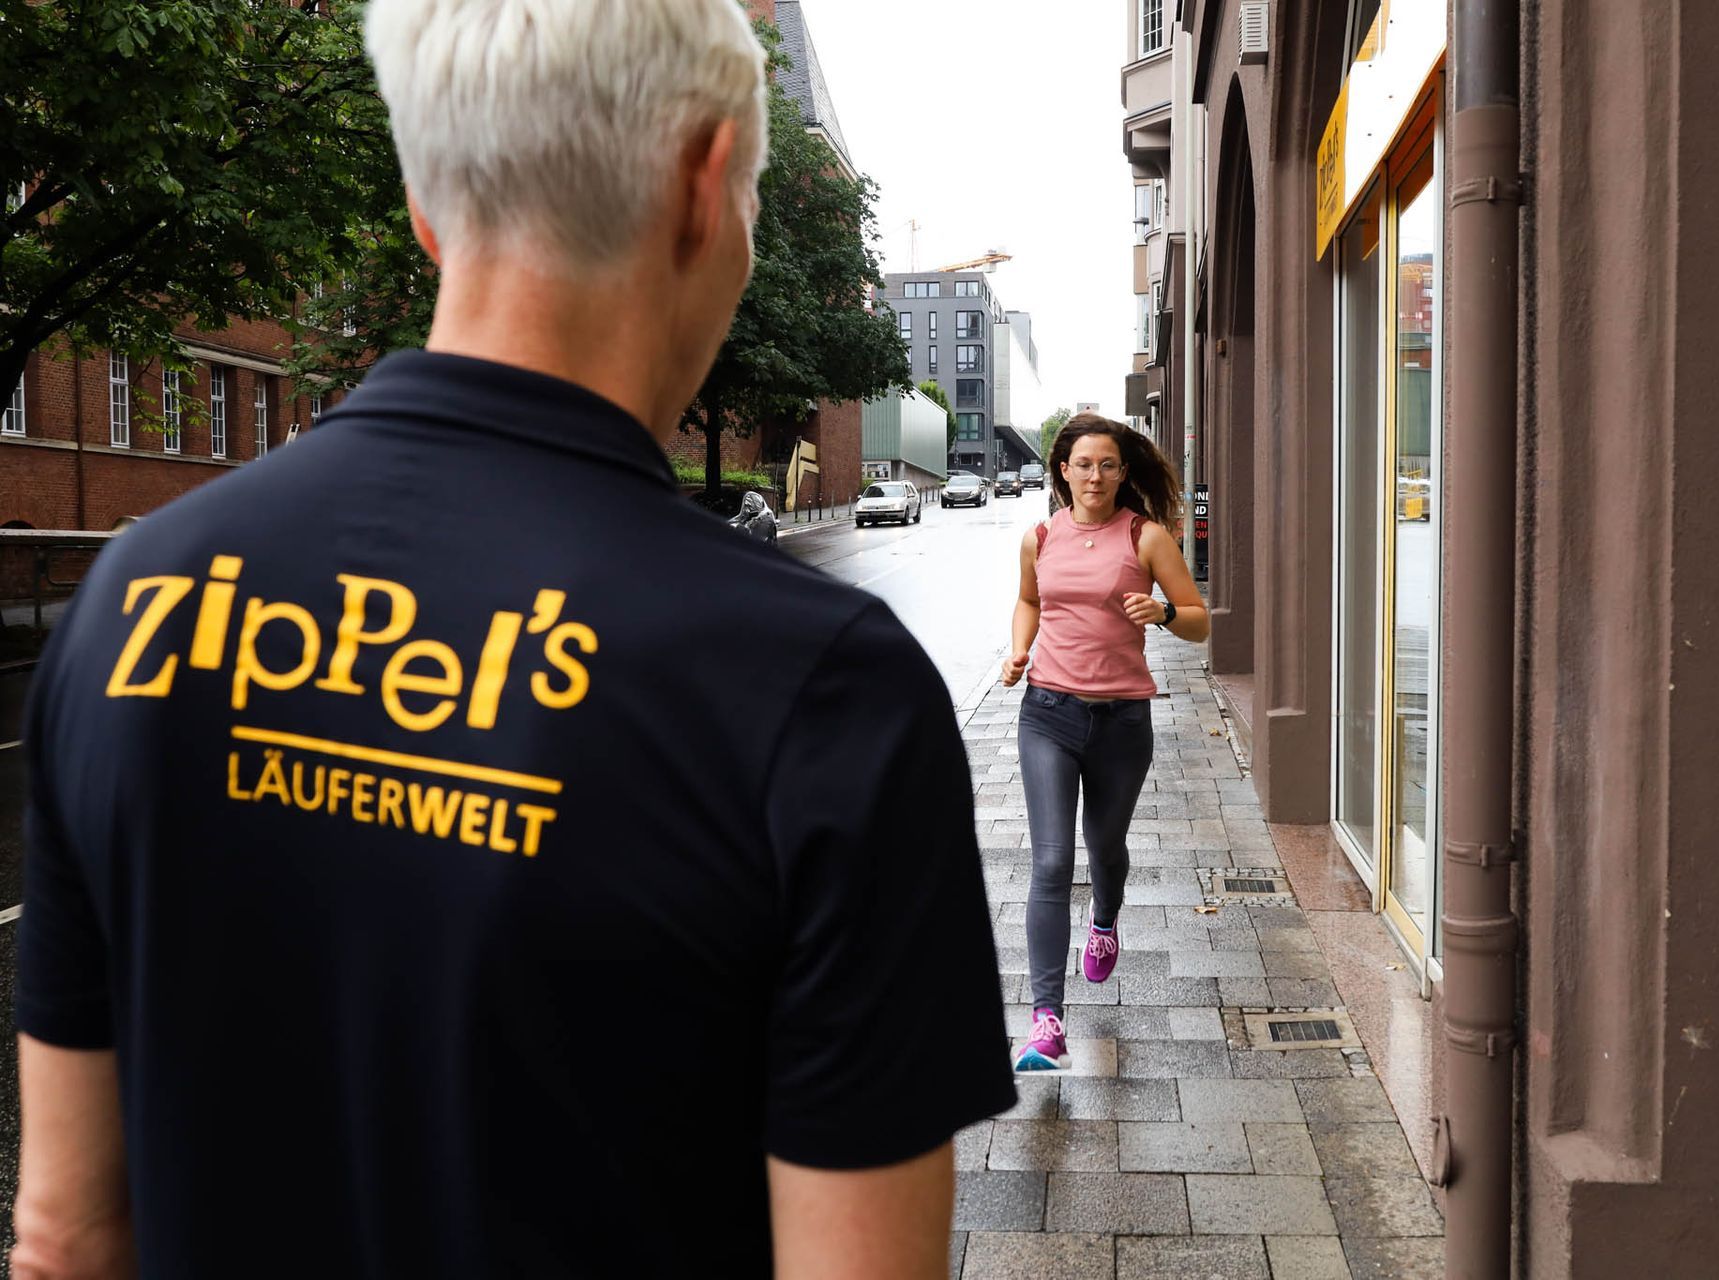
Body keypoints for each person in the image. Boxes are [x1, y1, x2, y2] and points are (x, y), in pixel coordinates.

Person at [11, 2, 1014, 1276]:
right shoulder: (822, 692)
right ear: (707, 186)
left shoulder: (134, 596)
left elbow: (63, 1236)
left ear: (429, 209)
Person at [999, 415, 1209, 1071]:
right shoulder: (1040, 537)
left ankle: (1106, 920)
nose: (1095, 476)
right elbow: (1029, 600)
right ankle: (1046, 1023)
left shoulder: (1146, 538)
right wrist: (1018, 650)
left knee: (1105, 849)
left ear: (1123, 472)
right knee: (1053, 861)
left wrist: (1165, 613)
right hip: (1048, 715)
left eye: (1109, 465)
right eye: (1084, 463)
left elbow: (1198, 622)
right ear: (1062, 468)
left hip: (1122, 723)